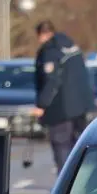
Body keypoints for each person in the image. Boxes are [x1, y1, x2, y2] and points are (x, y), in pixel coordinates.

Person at [33, 20, 93, 172]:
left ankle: (66, 186)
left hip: (61, 109)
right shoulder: (72, 46)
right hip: (80, 107)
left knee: (61, 147)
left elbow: (52, 80)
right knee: (78, 146)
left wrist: (42, 105)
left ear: (42, 35)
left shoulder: (50, 51)